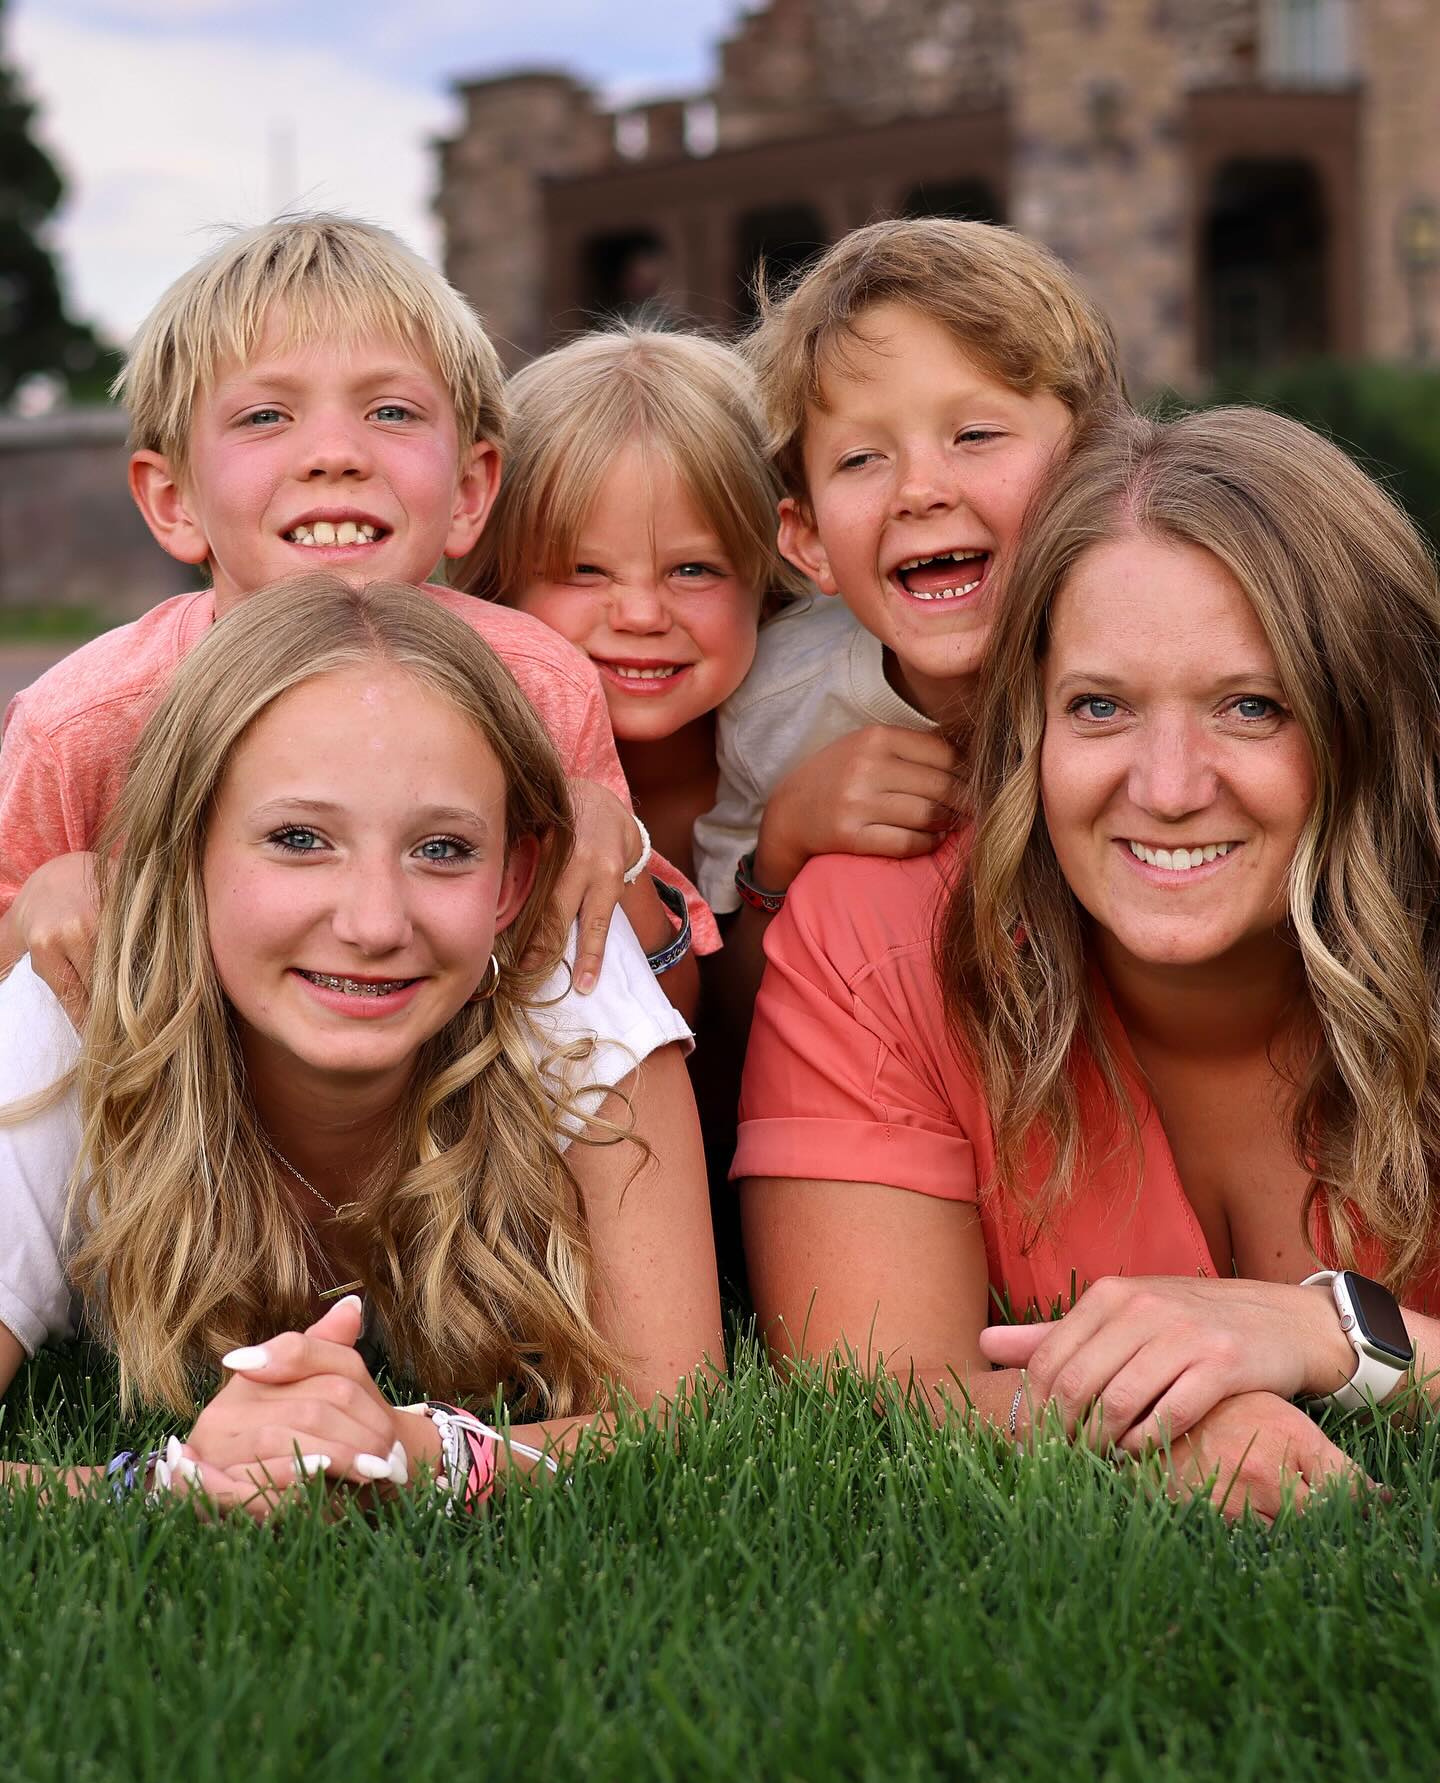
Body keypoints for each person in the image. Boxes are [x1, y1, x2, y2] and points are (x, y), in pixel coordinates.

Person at [736, 407, 1440, 1523]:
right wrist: (1144, 1414)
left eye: (1252, 708)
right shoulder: (882, 939)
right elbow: (865, 1397)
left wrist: (1331, 1335)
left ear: (1367, 717)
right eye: (1100, 707)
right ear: (1031, 725)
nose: (1166, 788)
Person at [0, 577, 723, 1512]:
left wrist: (412, 1451)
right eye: (300, 839)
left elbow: (679, 1417)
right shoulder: (77, 1001)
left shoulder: (570, 973)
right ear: (185, 855)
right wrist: (177, 1488)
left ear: (513, 882)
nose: (375, 923)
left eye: (442, 850)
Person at [0, 213, 712, 1019]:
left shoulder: (539, 687)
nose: (335, 453)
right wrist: (34, 916)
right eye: (266, 416)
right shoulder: (78, 726)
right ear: (175, 501)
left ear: (469, 491)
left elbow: (658, 1019)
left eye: (392, 413)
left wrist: (612, 852)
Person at [689, 215, 1128, 1041]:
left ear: (1098, 466)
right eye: (862, 459)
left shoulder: (1173, 658)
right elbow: (730, 1035)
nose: (920, 490)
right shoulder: (777, 703)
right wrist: (781, 850)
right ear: (809, 541)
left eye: (976, 435)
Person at [458, 323, 801, 893]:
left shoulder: (822, 749)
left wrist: (782, 854)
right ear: (496, 584)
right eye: (584, 569)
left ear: (773, 578)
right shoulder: (454, 773)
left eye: (693, 570)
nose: (641, 617)